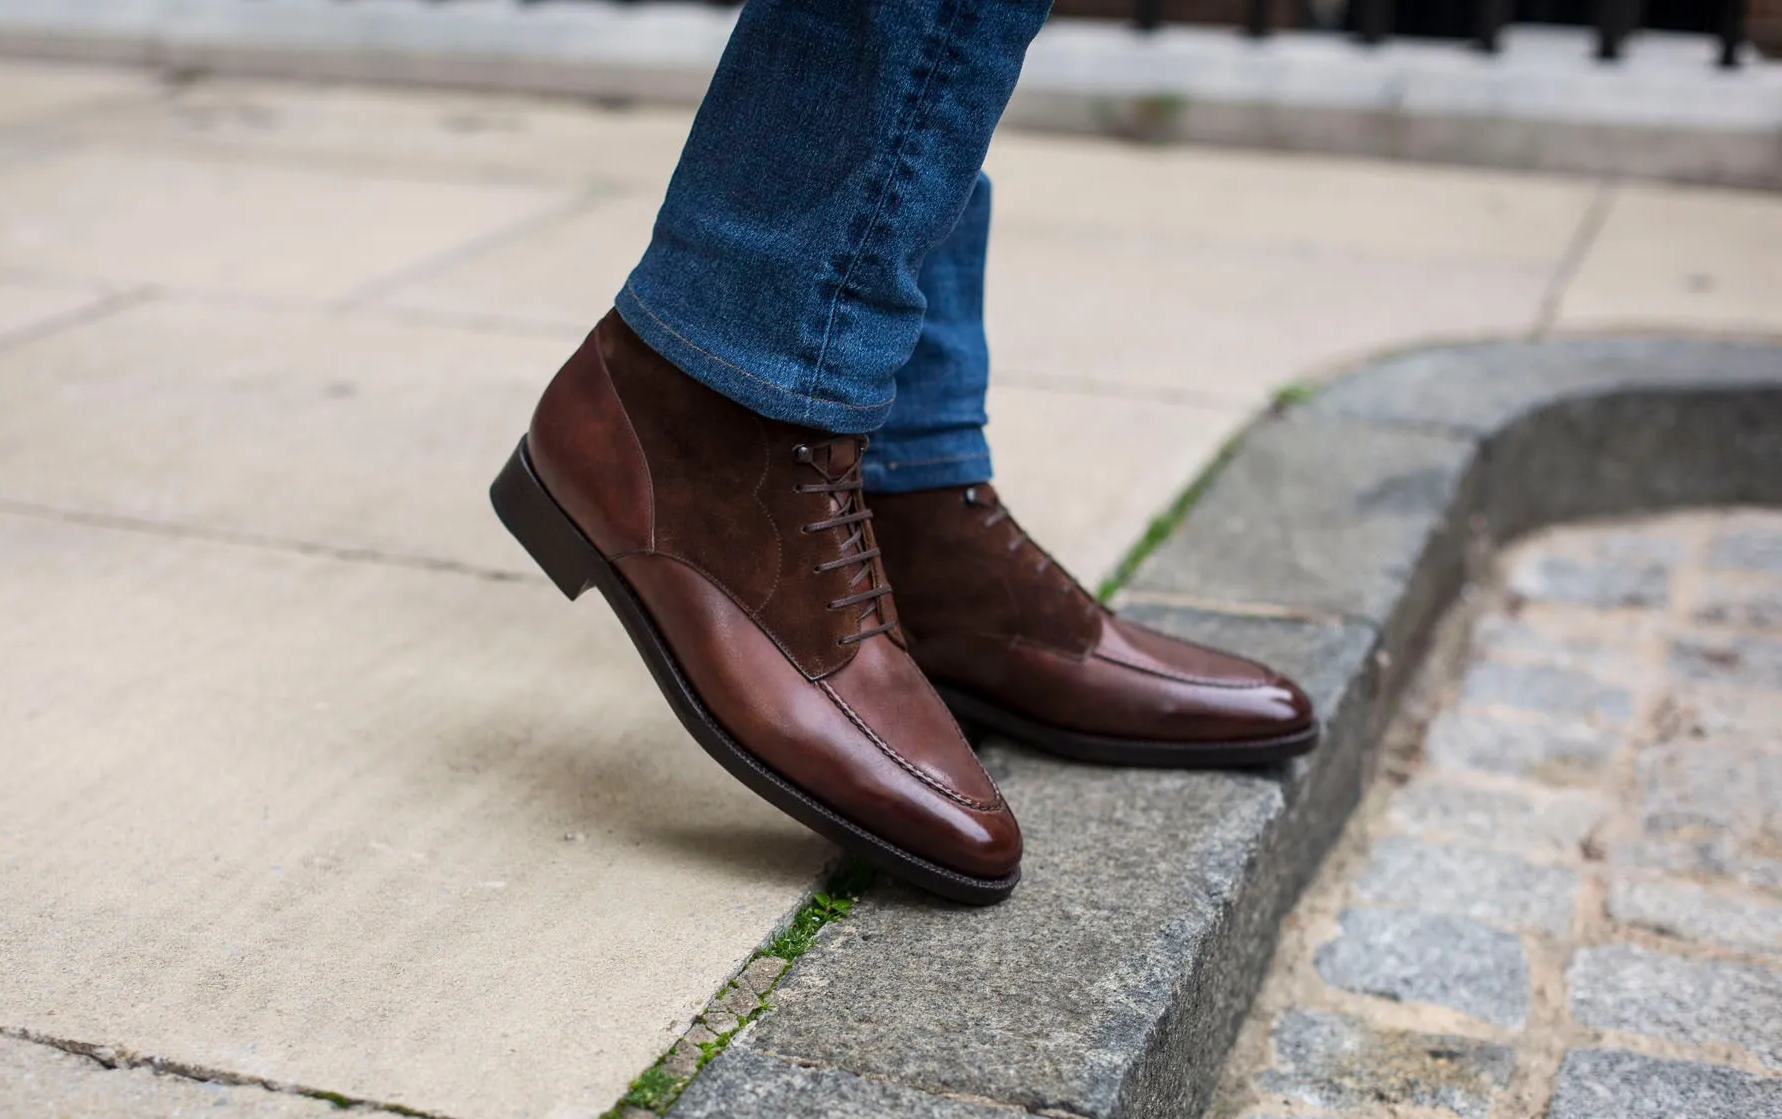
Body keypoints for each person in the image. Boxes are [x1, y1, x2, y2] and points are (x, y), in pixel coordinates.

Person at [491, 0, 1314, 905]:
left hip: (880, 448)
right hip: (719, 406)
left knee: (951, 75)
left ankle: (905, 483)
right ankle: (718, 389)